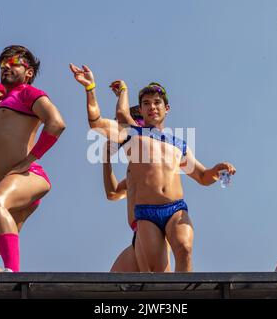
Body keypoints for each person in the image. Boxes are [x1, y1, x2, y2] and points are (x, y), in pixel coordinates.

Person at [70, 64, 236, 272]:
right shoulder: (131, 135)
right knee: (157, 271)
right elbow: (96, 122)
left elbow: (203, 176)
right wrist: (90, 88)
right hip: (146, 214)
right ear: (140, 110)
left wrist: (216, 170)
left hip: (175, 208)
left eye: (157, 103)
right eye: (146, 104)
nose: (152, 107)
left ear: (167, 108)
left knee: (184, 248)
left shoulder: (178, 144)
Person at [0, 45, 66, 272]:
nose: (6, 67)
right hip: (11, 187)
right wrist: (7, 68)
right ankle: (5, 287)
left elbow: (57, 123)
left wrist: (30, 159)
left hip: (29, 176)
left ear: (29, 72)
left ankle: (13, 275)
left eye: (14, 63)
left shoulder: (28, 93)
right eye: (3, 65)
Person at [104, 81, 170, 272]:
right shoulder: (134, 171)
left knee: (157, 288)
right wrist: (106, 161)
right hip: (138, 235)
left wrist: (123, 92)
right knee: (109, 286)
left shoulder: (147, 149)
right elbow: (113, 193)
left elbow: (124, 118)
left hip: (153, 232)